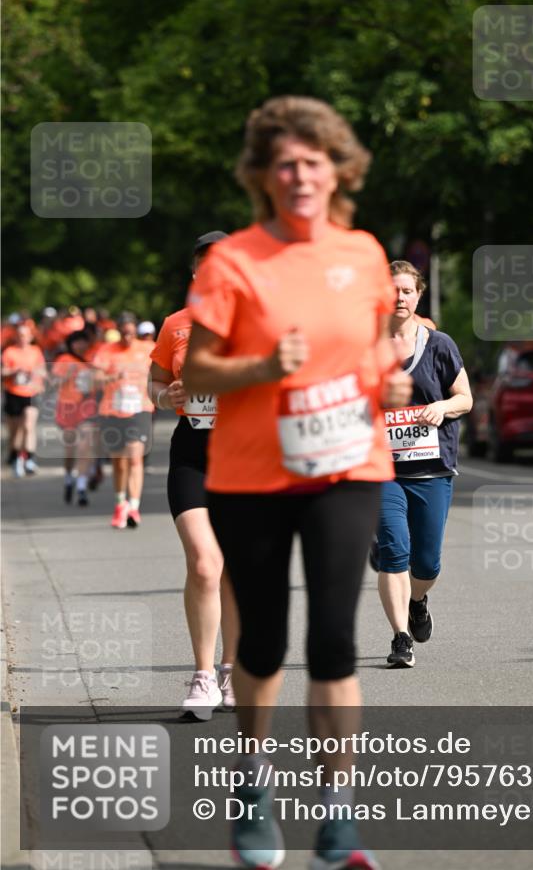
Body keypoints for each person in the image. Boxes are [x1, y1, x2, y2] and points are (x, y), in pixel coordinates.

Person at [183, 96, 411, 870]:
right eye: (284, 163)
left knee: (336, 643)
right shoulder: (233, 261)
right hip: (250, 475)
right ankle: (251, 785)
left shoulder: (366, 254)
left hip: (349, 467)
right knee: (268, 640)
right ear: (262, 176)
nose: (299, 175)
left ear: (336, 169)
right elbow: (196, 369)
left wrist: (391, 385)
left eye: (313, 162)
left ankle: (338, 819)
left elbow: (374, 349)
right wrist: (259, 367)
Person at [149, 232, 239, 719]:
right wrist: (167, 398)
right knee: (205, 563)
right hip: (194, 452)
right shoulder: (176, 325)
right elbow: (154, 384)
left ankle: (232, 670)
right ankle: (203, 676)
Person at [377, 260, 472, 669]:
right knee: (393, 550)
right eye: (392, 290)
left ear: (418, 296)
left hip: (432, 468)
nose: (399, 297)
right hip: (380, 470)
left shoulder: (440, 345)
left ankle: (418, 601)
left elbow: (465, 398)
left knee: (427, 562)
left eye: (407, 291)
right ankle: (400, 638)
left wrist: (441, 408)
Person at [93, 312, 153, 528]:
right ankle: (121, 503)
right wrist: (112, 377)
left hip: (140, 409)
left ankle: (134, 508)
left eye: (131, 332)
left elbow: (160, 372)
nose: (128, 337)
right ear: (118, 331)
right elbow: (95, 377)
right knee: (119, 462)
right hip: (112, 411)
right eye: (124, 333)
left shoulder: (147, 349)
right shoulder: (107, 351)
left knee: (135, 457)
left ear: (135, 331)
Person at [52, 330, 98, 506]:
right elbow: (53, 382)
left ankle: (81, 486)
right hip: (68, 409)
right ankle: (69, 478)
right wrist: (67, 375)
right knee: (71, 450)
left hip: (87, 408)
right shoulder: (64, 360)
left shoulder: (93, 359)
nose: (80, 345)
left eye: (83, 342)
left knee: (84, 446)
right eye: (76, 342)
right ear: (71, 344)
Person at [2, 322, 46, 476]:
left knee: (28, 425)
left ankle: (29, 459)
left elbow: (43, 370)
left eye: (26, 335)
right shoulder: (9, 352)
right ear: (16, 337)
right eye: (20, 335)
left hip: (31, 393)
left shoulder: (36, 351)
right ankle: (15, 456)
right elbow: (3, 371)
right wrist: (14, 371)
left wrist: (37, 376)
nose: (23, 338)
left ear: (31, 337)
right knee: (15, 432)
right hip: (13, 393)